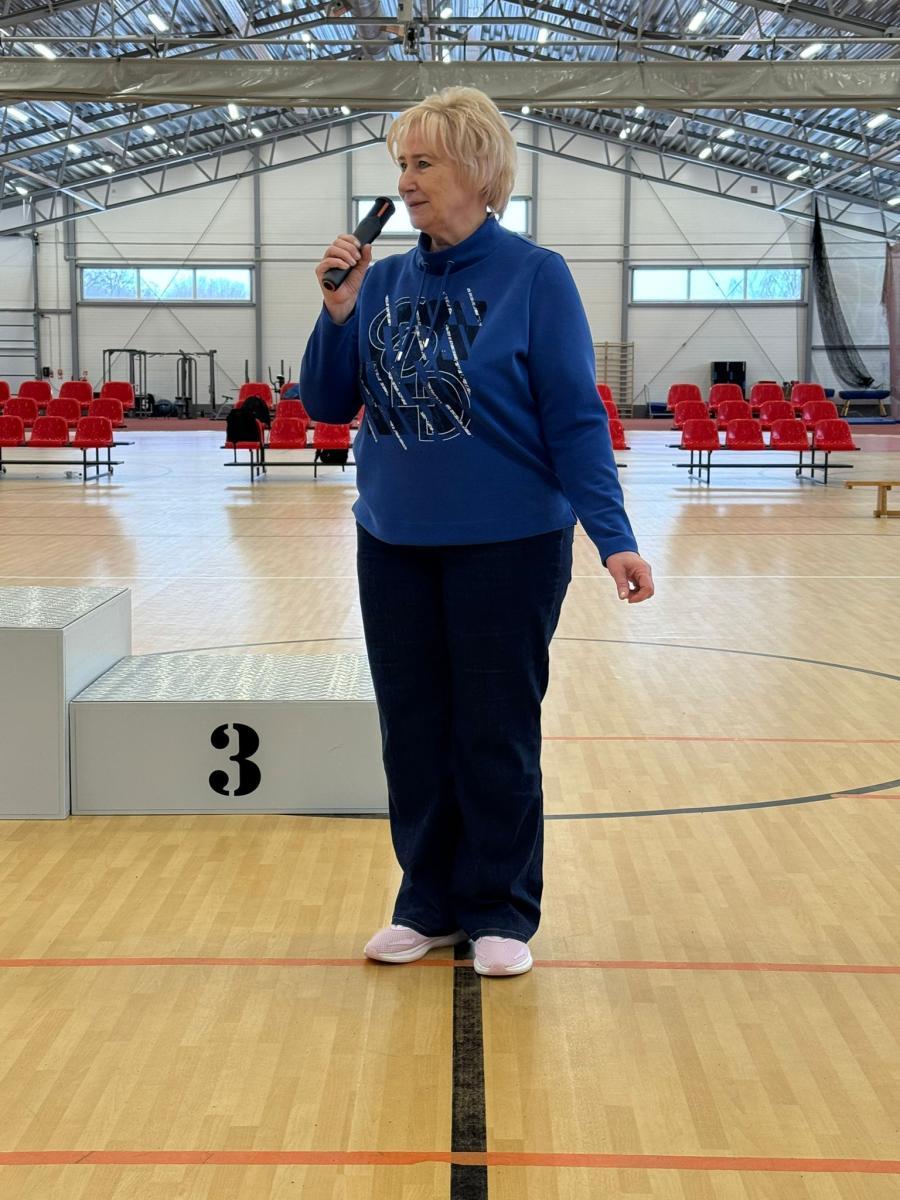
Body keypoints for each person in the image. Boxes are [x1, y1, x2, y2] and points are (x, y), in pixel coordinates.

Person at [300, 86, 653, 978]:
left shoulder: (536, 276)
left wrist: (612, 535)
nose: (406, 182)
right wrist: (336, 314)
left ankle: (499, 907)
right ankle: (427, 902)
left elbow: (574, 416)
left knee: (494, 732)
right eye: (402, 165)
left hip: (510, 544)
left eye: (424, 163)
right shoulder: (381, 281)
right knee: (413, 731)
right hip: (392, 542)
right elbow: (328, 406)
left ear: (479, 170)